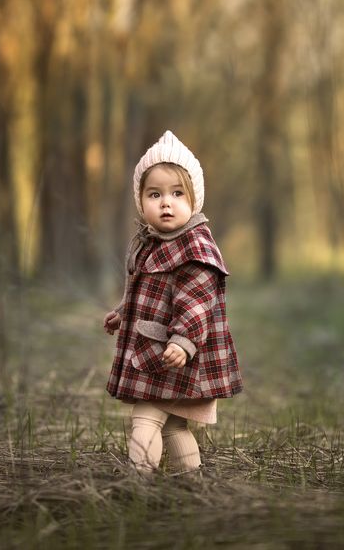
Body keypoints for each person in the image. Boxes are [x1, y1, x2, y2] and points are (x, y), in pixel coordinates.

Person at [103, 130, 243, 474]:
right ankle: (192, 484)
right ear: (141, 201)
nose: (166, 202)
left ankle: (139, 481)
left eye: (177, 193)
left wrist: (184, 340)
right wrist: (124, 314)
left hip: (175, 354)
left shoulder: (195, 246)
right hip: (159, 352)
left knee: (146, 419)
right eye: (155, 194)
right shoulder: (155, 242)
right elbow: (151, 294)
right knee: (173, 425)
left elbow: (197, 301)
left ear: (194, 200)